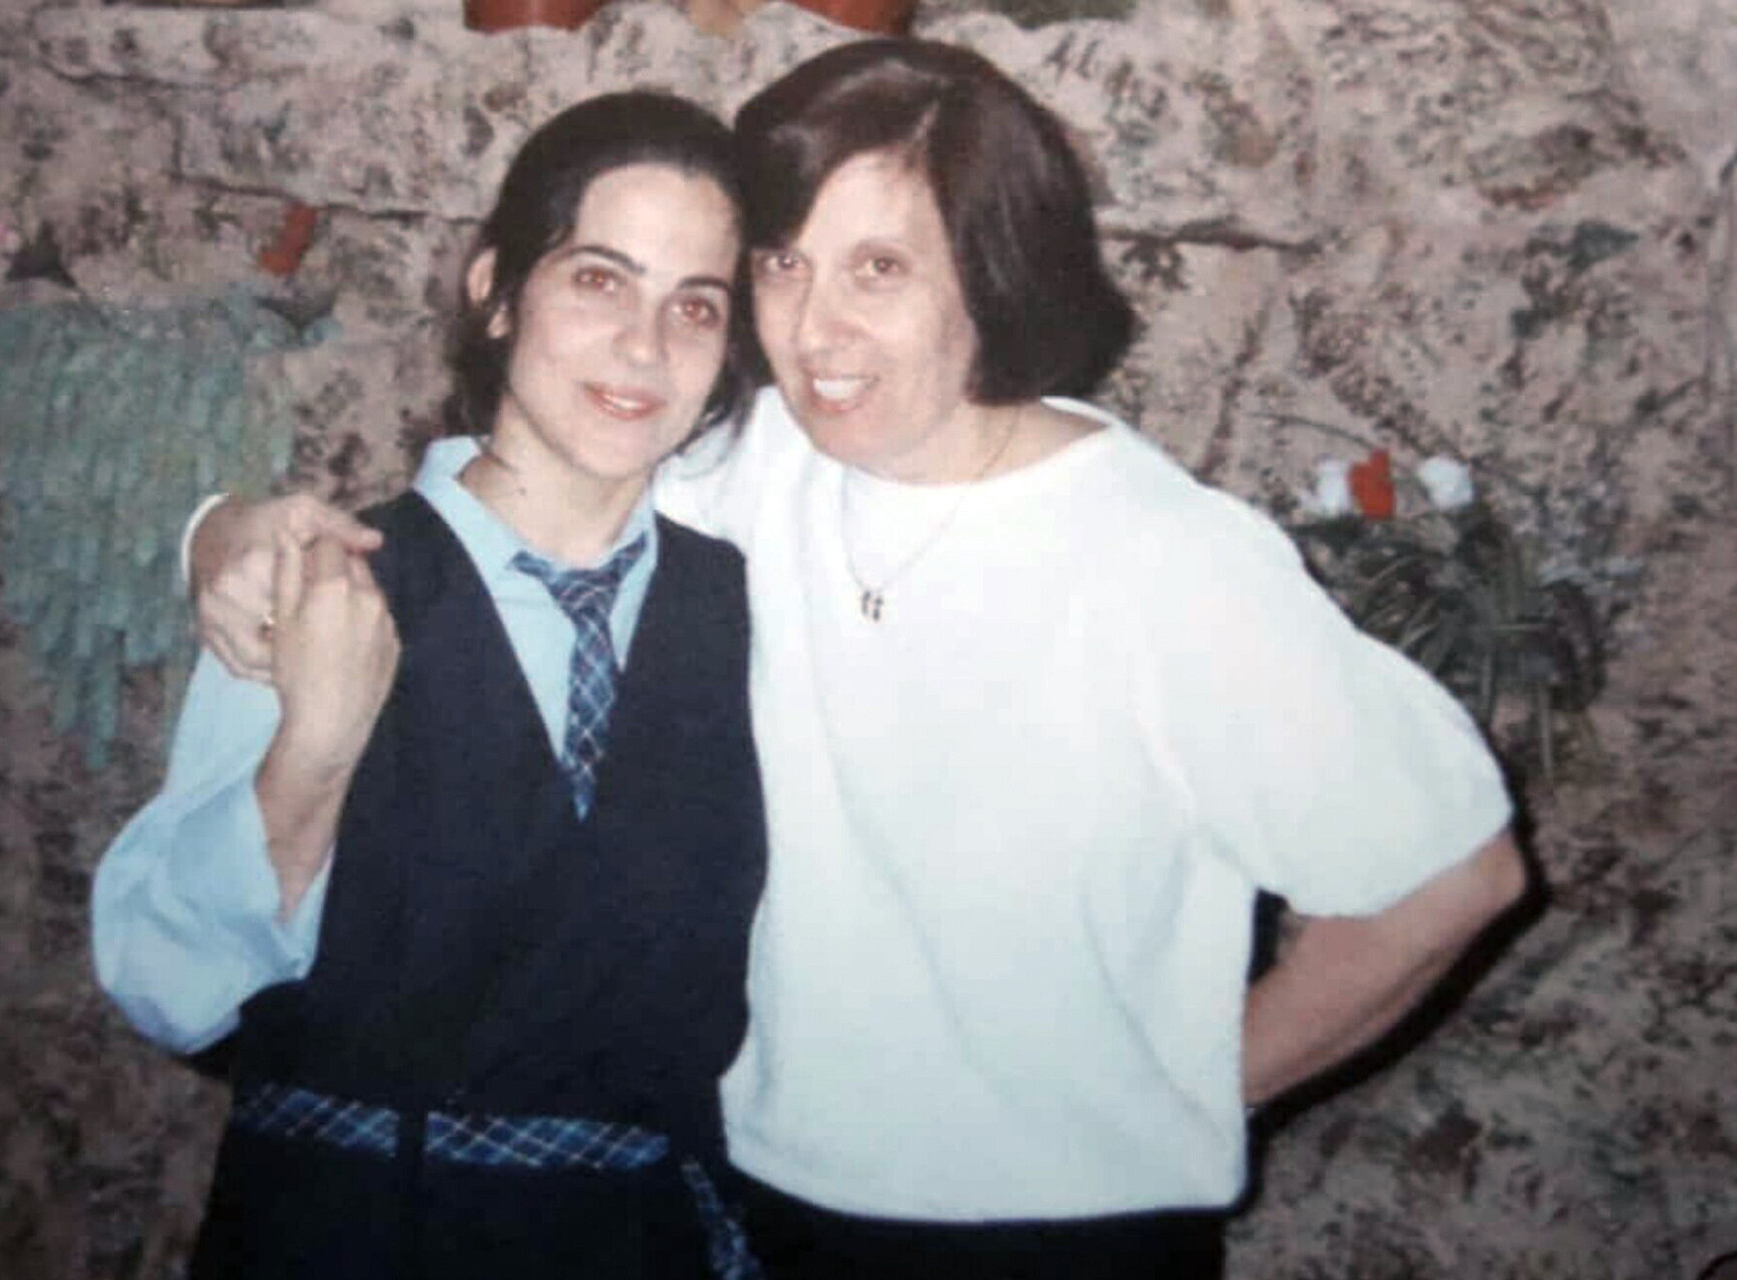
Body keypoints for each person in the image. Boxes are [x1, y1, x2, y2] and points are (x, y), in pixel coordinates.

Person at [181, 39, 1528, 1280]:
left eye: (880, 268)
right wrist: (223, 532)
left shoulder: (1164, 559)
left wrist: (1180, 1098)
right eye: (784, 265)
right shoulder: (759, 467)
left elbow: (1449, 878)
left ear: (990, 272)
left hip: (1055, 1241)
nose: (816, 332)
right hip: (755, 1209)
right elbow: (518, 488)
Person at [91, 92, 769, 1279]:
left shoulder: (748, 614)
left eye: (695, 305)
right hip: (339, 1240)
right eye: (599, 280)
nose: (645, 347)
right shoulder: (322, 580)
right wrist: (312, 755)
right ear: (495, 290)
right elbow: (165, 988)